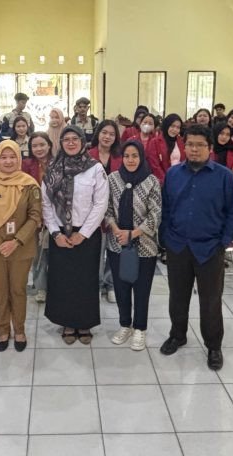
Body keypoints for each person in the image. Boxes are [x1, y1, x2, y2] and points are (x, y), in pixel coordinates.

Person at [159, 124, 233, 371]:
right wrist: (166, 237)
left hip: (210, 247)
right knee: (177, 296)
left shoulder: (224, 177)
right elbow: (166, 208)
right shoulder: (173, 174)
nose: (194, 149)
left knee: (211, 300)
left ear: (210, 148)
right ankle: (177, 335)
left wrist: (223, 241)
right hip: (178, 245)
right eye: (190, 144)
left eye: (200, 145)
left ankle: (214, 346)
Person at [41, 126, 108, 345]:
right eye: (66, 139)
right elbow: (46, 204)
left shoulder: (95, 168)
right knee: (63, 281)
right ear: (60, 143)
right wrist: (55, 233)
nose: (71, 143)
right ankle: (67, 322)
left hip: (87, 234)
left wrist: (84, 234)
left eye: (75, 139)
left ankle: (85, 322)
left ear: (82, 141)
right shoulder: (52, 169)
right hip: (60, 234)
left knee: (86, 280)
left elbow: (100, 204)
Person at [0, 140, 42, 352]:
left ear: (19, 158)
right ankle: (3, 329)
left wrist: (16, 241)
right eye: (3, 157)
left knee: (18, 290)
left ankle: (19, 330)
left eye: (12, 157)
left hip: (21, 248)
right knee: (0, 291)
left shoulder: (29, 184)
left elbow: (35, 216)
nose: (8, 161)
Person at [104, 140, 162, 352]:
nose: (130, 160)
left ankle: (140, 328)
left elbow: (155, 214)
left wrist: (133, 233)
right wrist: (116, 229)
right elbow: (107, 209)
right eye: (127, 156)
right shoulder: (113, 179)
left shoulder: (151, 181)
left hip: (144, 245)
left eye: (135, 156)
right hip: (117, 243)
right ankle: (124, 325)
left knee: (141, 288)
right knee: (121, 287)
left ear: (141, 157)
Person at [23, 132, 53, 303]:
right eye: (34, 146)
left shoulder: (58, 163)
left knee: (56, 255)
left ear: (49, 145)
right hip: (34, 216)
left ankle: (56, 286)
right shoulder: (26, 165)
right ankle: (41, 287)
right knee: (38, 254)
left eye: (42, 145)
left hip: (56, 216)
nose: (39, 149)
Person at [133, 112, 166, 181]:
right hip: (134, 174)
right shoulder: (132, 140)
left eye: (150, 123)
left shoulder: (157, 142)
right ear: (140, 123)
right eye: (145, 122)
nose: (147, 125)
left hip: (152, 176)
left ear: (154, 126)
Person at [150, 113, 185, 177]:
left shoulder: (181, 141)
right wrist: (166, 180)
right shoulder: (155, 142)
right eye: (172, 126)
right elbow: (155, 165)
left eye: (178, 127)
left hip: (180, 177)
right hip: (163, 178)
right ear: (166, 125)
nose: (175, 130)